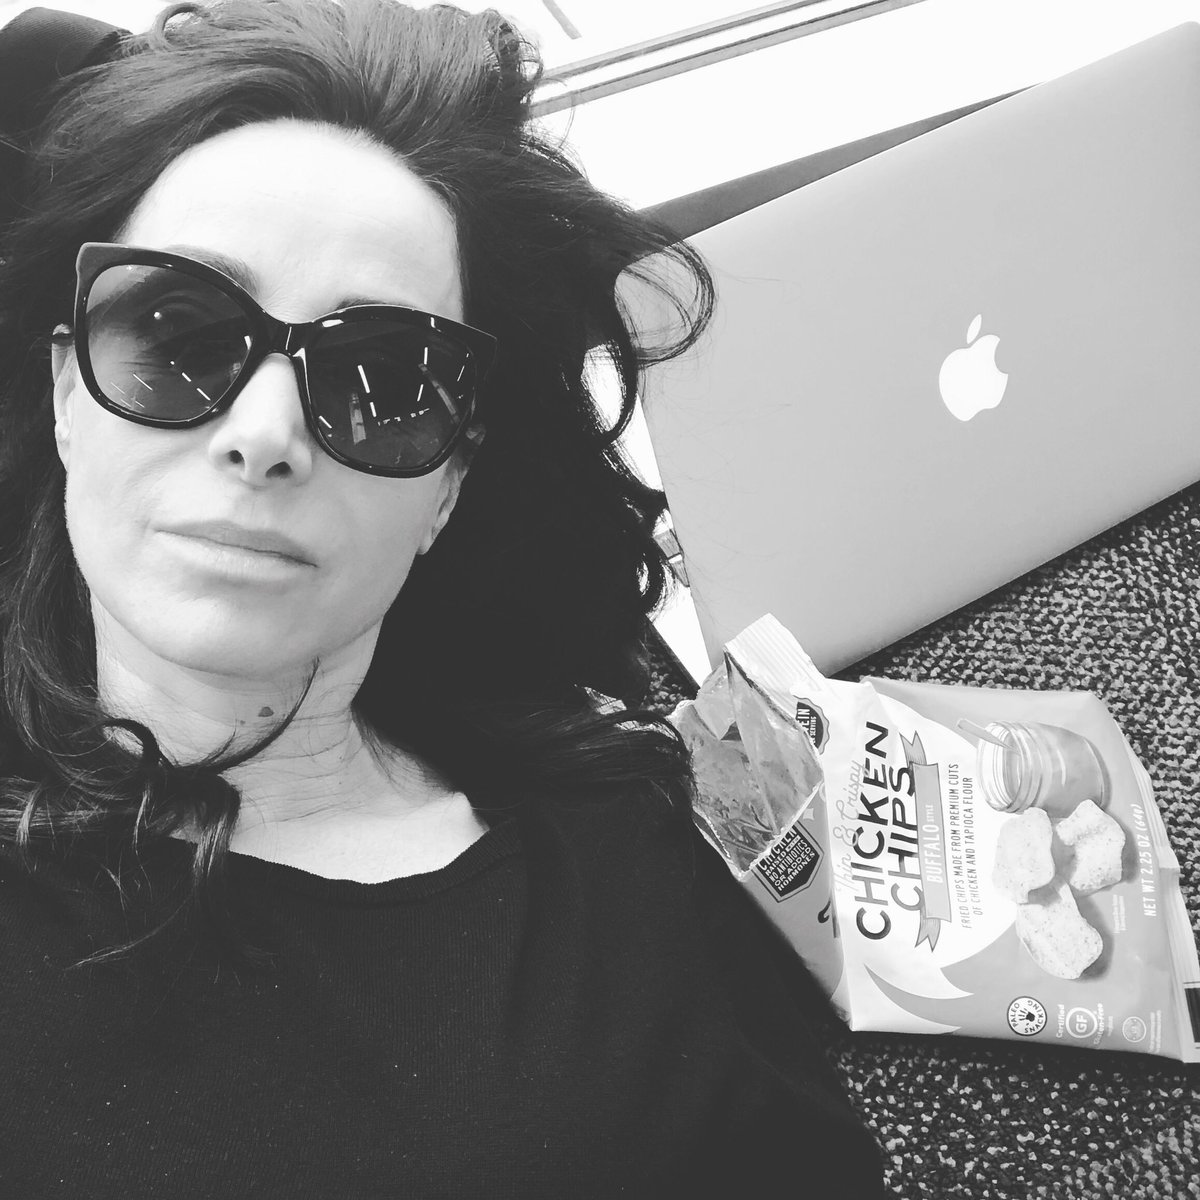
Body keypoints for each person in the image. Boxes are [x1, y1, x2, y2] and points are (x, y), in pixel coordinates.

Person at [0, 2, 887, 1195]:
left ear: (448, 487)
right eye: (178, 334)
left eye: (382, 381)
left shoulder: (636, 858)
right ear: (68, 393)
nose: (264, 435)